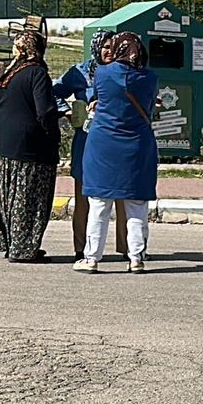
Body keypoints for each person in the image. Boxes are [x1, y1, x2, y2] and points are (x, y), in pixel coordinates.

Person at [74, 32, 159, 274]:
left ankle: (91, 258)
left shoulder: (102, 73)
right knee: (136, 205)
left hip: (104, 145)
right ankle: (136, 257)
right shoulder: (150, 78)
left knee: (99, 204)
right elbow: (150, 106)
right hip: (138, 145)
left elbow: (100, 98)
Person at [0, 31, 59, 264]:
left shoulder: (3, 72)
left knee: (8, 193)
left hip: (3, 140)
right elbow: (45, 111)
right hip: (31, 145)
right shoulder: (37, 73)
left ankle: (10, 243)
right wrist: (53, 133)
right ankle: (24, 247)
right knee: (29, 196)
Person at [57, 32, 125, 260]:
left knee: (122, 195)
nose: (110, 51)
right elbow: (53, 91)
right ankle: (82, 248)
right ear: (96, 47)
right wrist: (67, 111)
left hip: (116, 139)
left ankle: (128, 248)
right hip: (86, 140)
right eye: (106, 46)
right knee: (84, 195)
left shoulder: (123, 71)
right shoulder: (80, 72)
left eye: (114, 47)